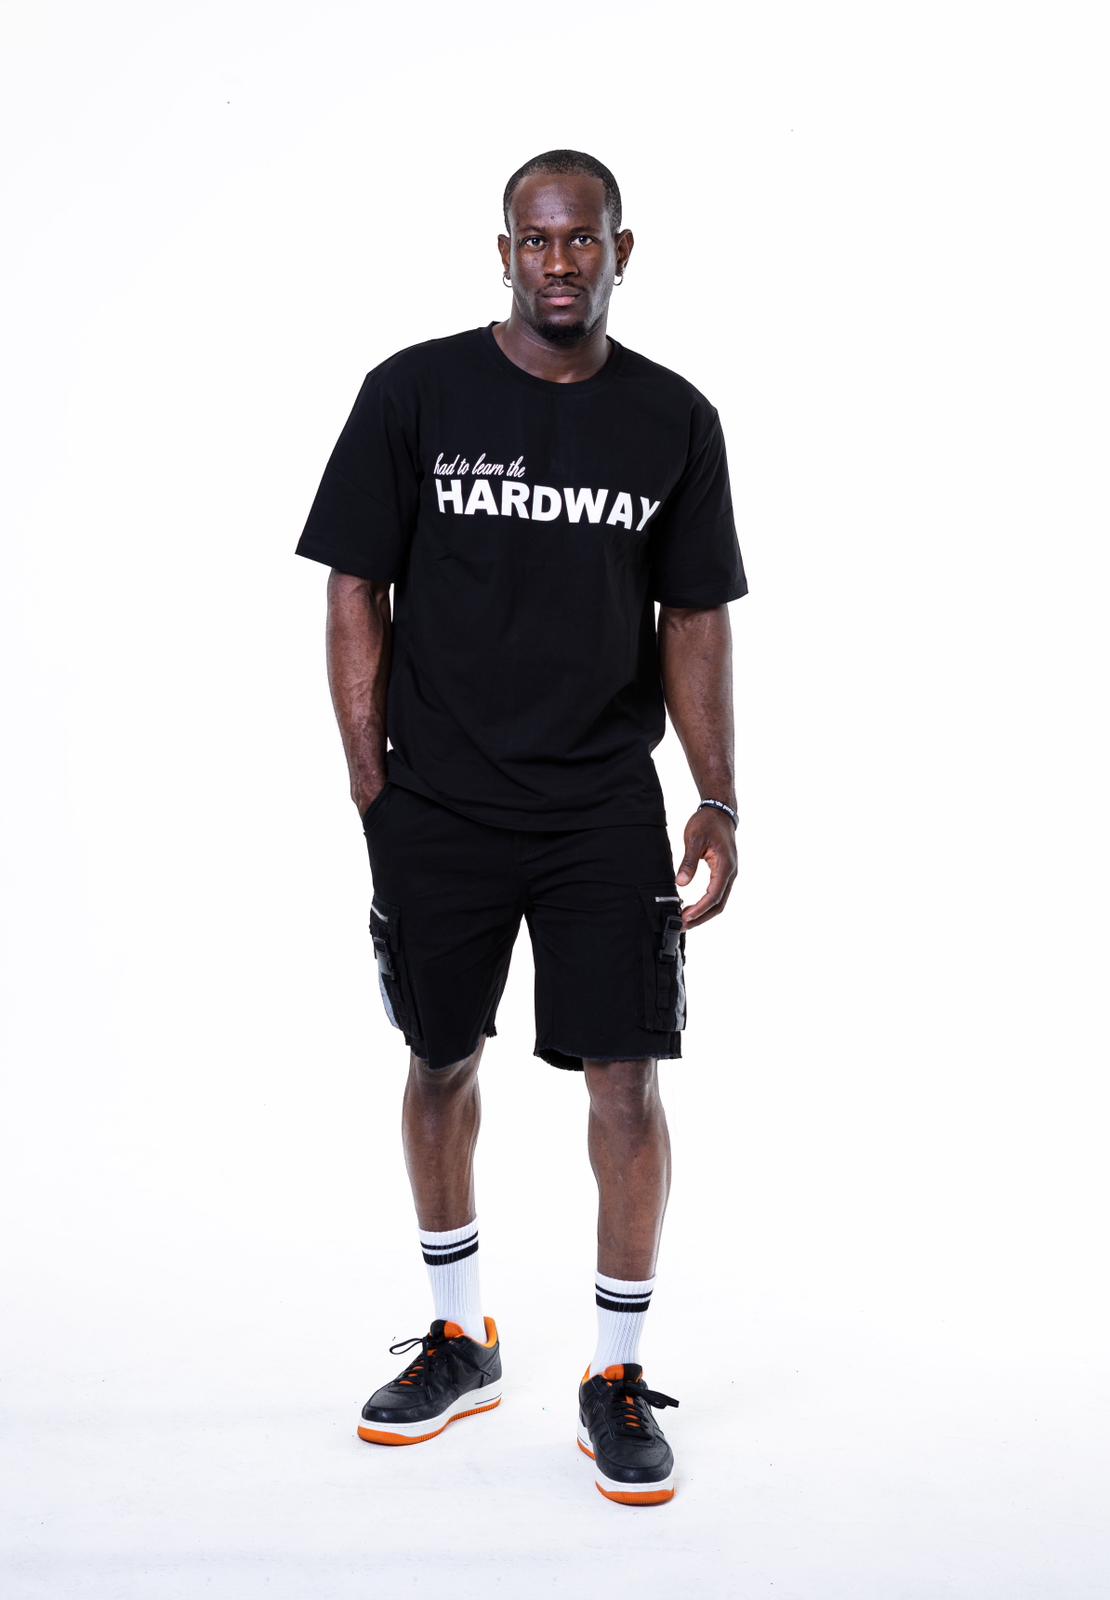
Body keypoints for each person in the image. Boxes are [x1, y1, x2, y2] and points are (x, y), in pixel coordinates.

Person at [294, 148, 747, 1507]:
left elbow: (695, 615)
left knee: (626, 1079)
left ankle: (616, 1373)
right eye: (537, 240)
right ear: (503, 252)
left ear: (621, 251)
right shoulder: (414, 393)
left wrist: (715, 792)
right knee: (439, 1058)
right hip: (438, 800)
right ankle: (460, 1338)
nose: (560, 262)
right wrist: (370, 777)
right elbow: (355, 585)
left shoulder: (671, 418)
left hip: (600, 803)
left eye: (583, 239)